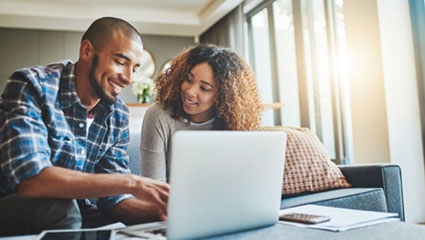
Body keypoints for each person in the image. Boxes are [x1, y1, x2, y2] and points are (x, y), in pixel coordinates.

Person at [0, 17, 169, 236]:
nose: (128, 78)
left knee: (113, 225)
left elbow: (114, 200)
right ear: (87, 51)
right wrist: (131, 182)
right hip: (12, 202)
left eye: (134, 68)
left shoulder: (117, 114)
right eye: (120, 62)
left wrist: (164, 213)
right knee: (63, 209)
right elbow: (31, 181)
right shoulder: (32, 85)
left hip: (71, 209)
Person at [140, 44, 262, 182]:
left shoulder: (235, 122)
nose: (190, 91)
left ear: (223, 96)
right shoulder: (158, 115)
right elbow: (152, 185)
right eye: (189, 79)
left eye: (204, 88)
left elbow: (241, 180)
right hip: (168, 201)